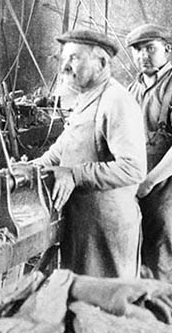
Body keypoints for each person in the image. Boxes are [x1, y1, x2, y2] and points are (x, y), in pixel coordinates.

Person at [31, 29, 146, 278]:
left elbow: (133, 168)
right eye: (64, 59)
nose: (65, 67)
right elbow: (64, 147)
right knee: (80, 297)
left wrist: (75, 174)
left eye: (74, 58)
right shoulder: (87, 97)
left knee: (108, 299)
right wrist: (32, 168)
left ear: (101, 63)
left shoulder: (116, 101)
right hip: (83, 224)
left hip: (106, 230)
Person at [125, 24, 172, 286]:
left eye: (150, 48)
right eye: (137, 50)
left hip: (167, 181)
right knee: (134, 255)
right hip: (136, 179)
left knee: (161, 258)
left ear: (167, 49)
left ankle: (169, 309)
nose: (143, 55)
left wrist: (149, 182)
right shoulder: (132, 90)